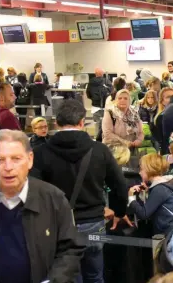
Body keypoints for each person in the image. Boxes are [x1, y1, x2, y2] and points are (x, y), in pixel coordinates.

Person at [30, 99, 131, 282]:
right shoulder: (100, 150)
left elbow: (34, 191)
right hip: (93, 221)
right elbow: (119, 184)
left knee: (68, 275)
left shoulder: (40, 153)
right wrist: (119, 211)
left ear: (56, 122)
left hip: (58, 225)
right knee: (94, 274)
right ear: (82, 121)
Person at [0, 129, 85, 283]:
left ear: (30, 159)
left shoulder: (53, 198)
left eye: (16, 158)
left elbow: (70, 248)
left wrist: (54, 280)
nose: (8, 167)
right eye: (0, 160)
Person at [128, 153, 173, 237]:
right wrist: (148, 191)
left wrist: (131, 197)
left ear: (149, 170)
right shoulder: (166, 183)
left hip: (166, 234)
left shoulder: (159, 189)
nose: (140, 173)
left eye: (141, 169)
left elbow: (143, 214)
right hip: (171, 230)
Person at [86, 68, 113, 137]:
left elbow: (88, 94)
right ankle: (106, 140)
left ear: (95, 74)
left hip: (95, 107)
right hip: (106, 107)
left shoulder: (91, 82)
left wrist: (93, 99)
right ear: (103, 74)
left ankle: (97, 141)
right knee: (107, 125)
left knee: (97, 125)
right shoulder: (107, 81)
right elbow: (112, 93)